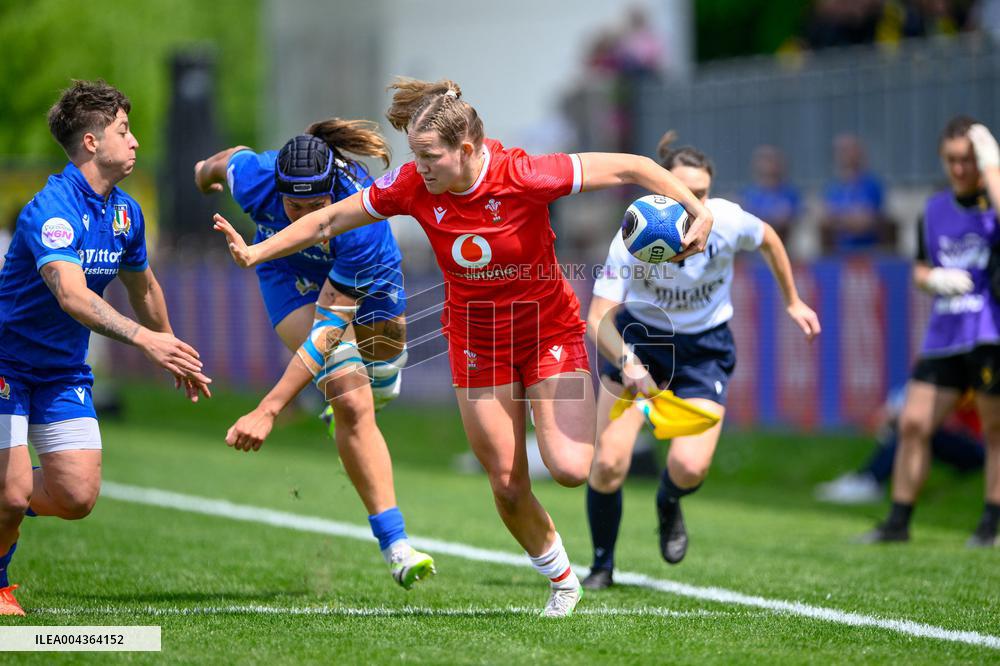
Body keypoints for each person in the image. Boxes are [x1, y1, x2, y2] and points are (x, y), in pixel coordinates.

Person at [212, 77, 714, 616]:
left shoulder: (525, 173)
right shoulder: (412, 186)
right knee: (504, 481)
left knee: (569, 468)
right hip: (477, 340)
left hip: (549, 329)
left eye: (429, 156)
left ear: (467, 150)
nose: (419, 167)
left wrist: (696, 209)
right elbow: (332, 217)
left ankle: (606, 409)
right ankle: (563, 579)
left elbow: (635, 167)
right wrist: (259, 252)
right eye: (415, 155)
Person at [0, 80, 212, 615]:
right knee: (10, 493)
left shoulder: (125, 214)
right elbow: (72, 296)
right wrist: (143, 341)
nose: (135, 141)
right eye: (124, 130)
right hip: (6, 364)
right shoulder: (50, 210)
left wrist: (171, 348)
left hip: (61, 371)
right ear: (92, 142)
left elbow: (144, 287)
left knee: (76, 497)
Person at [194, 122, 434, 589]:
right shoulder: (257, 179)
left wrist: (269, 409)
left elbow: (329, 326)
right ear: (277, 191)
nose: (304, 219)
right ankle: (397, 547)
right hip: (289, 279)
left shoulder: (360, 222)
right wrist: (205, 172)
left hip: (369, 273)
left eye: (315, 208)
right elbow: (231, 156)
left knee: (383, 370)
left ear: (333, 195)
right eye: (293, 207)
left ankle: (360, 400)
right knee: (351, 398)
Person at [582, 135, 821, 590]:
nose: (696, 203)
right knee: (610, 463)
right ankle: (601, 565)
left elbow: (769, 238)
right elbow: (597, 320)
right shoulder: (634, 235)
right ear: (660, 189)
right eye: (684, 190)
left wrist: (793, 300)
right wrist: (629, 363)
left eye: (703, 193)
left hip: (704, 351)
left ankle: (668, 503)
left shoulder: (726, 221)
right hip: (640, 343)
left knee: (690, 469)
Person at [860, 117, 1000, 547]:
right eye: (953, 160)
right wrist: (931, 279)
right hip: (945, 330)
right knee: (914, 423)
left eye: (969, 160)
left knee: (995, 430)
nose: (961, 169)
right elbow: (921, 266)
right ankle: (898, 522)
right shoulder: (935, 209)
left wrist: (994, 168)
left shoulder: (992, 201)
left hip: (990, 330)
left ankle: (991, 524)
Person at [815, 388, 984, 504]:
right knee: (911, 428)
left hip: (980, 449)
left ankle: (870, 482)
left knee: (919, 430)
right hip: (965, 441)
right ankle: (868, 479)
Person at [820, 133, 892, 253]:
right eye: (842, 151)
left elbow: (870, 219)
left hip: (871, 249)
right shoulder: (832, 188)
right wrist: (851, 220)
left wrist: (843, 220)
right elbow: (827, 217)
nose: (847, 155)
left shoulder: (873, 185)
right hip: (839, 251)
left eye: (850, 150)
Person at [740, 145, 801, 245]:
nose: (767, 165)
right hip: (751, 249)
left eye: (770, 160)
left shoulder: (790, 193)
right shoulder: (749, 192)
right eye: (763, 159)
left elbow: (784, 220)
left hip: (783, 247)